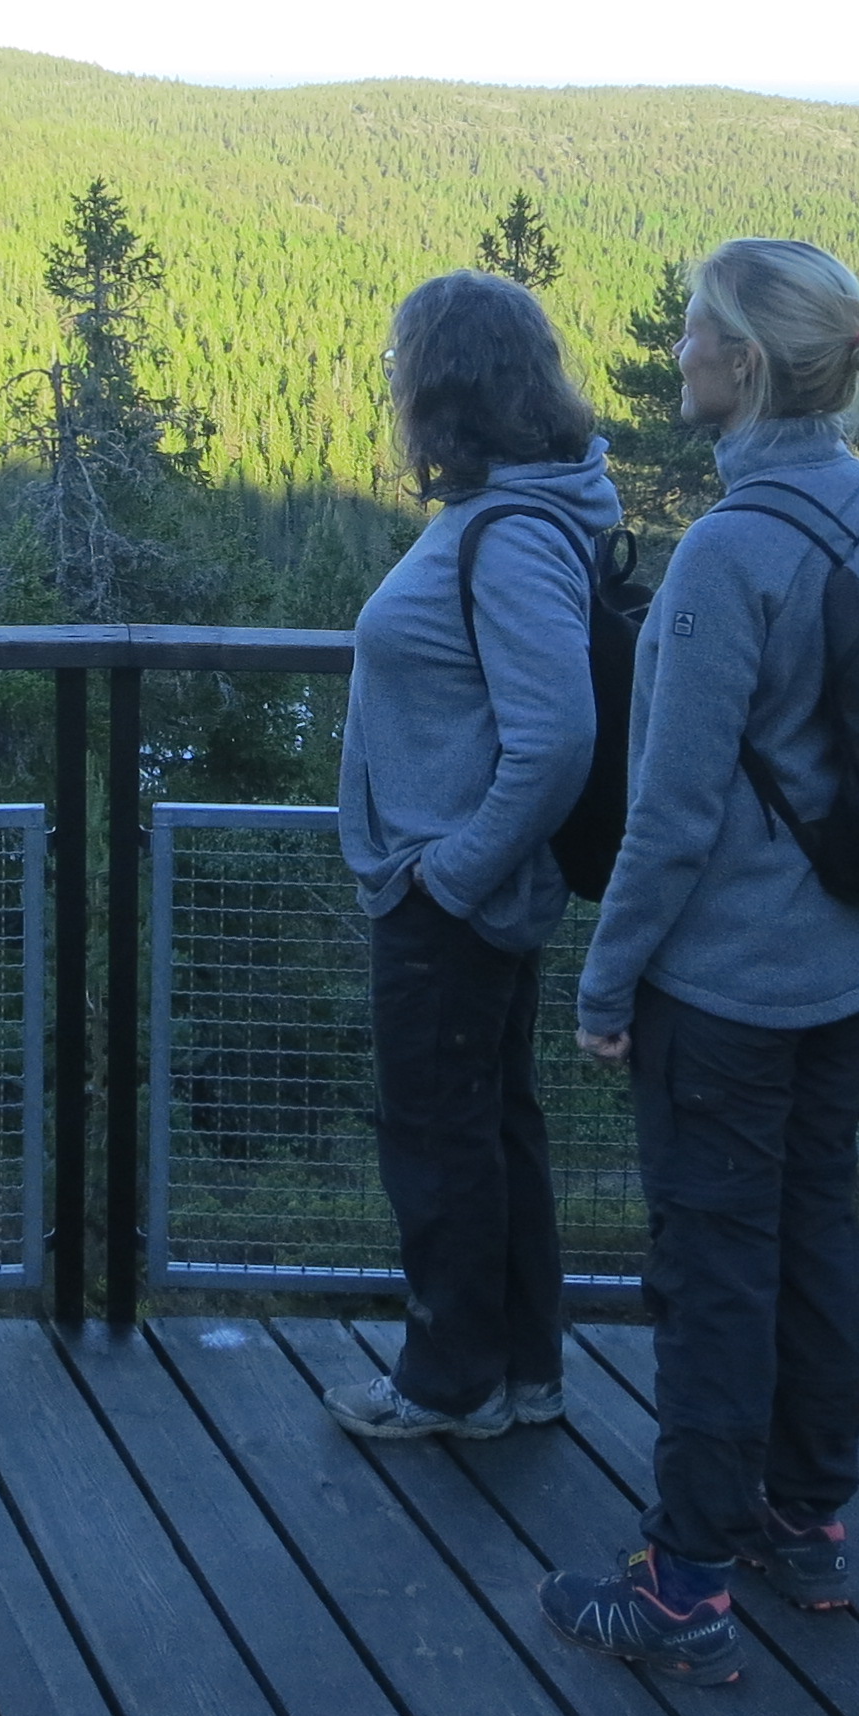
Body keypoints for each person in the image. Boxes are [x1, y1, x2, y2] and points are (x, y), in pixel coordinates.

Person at [538, 239, 859, 1681]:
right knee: (815, 1239)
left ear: (741, 361)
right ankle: (807, 1519)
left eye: (691, 333)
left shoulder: (730, 552)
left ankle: (684, 1582)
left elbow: (670, 811)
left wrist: (606, 983)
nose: (676, 354)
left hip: (729, 985)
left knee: (714, 1273)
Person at [323, 272, 623, 1442]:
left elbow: (555, 739)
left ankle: (449, 1383)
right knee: (492, 1128)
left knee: (439, 1141)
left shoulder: (508, 533)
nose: (393, 386)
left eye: (401, 366)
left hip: (452, 897)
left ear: (442, 384)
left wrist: (449, 874)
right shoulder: (523, 509)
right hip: (465, 889)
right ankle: (523, 1372)